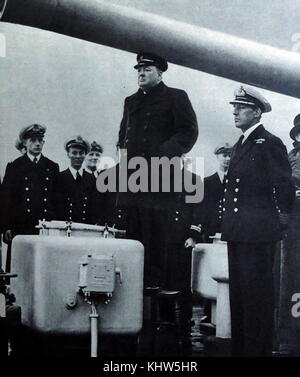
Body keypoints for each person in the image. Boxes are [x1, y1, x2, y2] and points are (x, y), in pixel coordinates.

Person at [221, 86, 294, 357]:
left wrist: (280, 222)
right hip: (238, 233)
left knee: (257, 300)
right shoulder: (241, 143)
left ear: (257, 111)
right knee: (239, 299)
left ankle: (257, 351)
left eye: (241, 107)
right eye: (235, 106)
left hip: (259, 234)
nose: (235, 111)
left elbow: (283, 187)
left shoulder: (269, 142)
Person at [116, 52, 198, 287]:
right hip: (133, 181)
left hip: (161, 179)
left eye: (147, 69)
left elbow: (189, 132)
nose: (141, 73)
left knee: (158, 241)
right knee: (133, 238)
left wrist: (163, 152)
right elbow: (123, 136)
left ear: (160, 73)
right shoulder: (130, 101)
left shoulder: (175, 97)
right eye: (139, 70)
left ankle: (157, 310)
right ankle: (133, 303)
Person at [2, 124, 59, 241]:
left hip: (45, 226)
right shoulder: (14, 166)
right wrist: (5, 226)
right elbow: (6, 198)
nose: (37, 144)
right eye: (32, 140)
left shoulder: (52, 166)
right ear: (24, 142)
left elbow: (57, 199)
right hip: (20, 226)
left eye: (40, 140)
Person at [185, 142, 232, 248]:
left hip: (231, 233)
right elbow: (200, 209)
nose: (227, 159)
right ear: (217, 157)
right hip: (210, 233)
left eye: (230, 155)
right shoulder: (207, 182)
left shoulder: (236, 183)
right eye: (224, 155)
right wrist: (194, 235)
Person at [55, 136, 104, 225]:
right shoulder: (59, 178)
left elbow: (96, 209)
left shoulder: (92, 179)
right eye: (74, 153)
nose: (78, 156)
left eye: (81, 153)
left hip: (86, 230)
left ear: (85, 155)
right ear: (68, 154)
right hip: (64, 229)